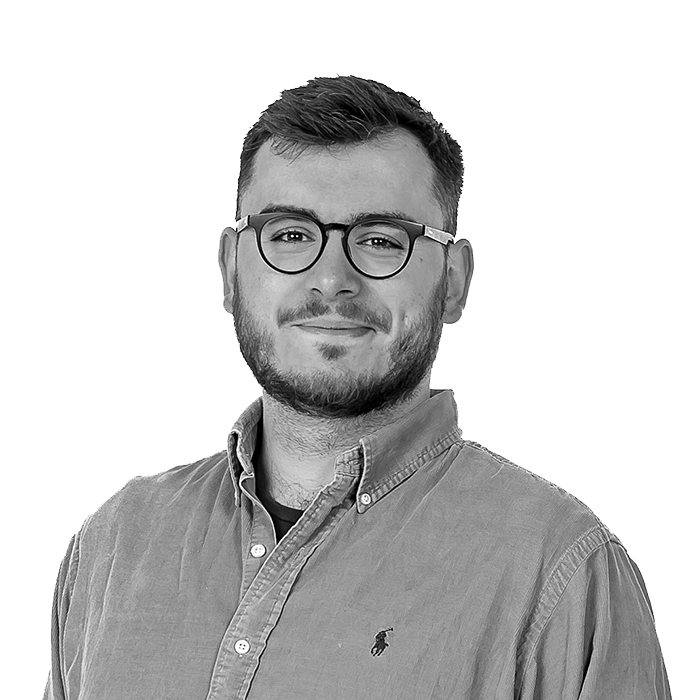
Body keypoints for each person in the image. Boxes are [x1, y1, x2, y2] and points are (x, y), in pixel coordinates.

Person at [44, 76, 671, 699]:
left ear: (454, 281)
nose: (331, 280)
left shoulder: (561, 571)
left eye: (379, 241)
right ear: (230, 269)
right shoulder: (116, 542)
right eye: (290, 234)